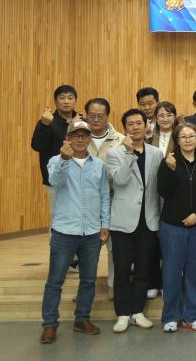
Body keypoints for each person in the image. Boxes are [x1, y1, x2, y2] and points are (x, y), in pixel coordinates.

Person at [40, 120, 110, 344]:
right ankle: (50, 324)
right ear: (68, 138)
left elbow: (104, 195)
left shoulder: (98, 165)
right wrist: (63, 159)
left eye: (84, 135)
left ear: (90, 138)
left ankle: (82, 319)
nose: (80, 139)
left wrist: (105, 224)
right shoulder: (55, 161)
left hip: (91, 232)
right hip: (64, 231)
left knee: (88, 280)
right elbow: (54, 181)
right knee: (55, 281)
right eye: (76, 135)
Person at [106, 109, 163, 333]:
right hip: (123, 220)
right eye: (130, 124)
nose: (136, 127)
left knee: (142, 269)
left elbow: (158, 188)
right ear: (125, 128)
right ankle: (122, 314)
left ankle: (138, 311)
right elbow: (119, 181)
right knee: (122, 270)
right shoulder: (115, 153)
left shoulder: (156, 153)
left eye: (139, 123)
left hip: (148, 220)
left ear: (146, 125)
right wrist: (130, 154)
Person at [157, 122, 196, 332]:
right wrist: (170, 170)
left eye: (191, 136)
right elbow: (163, 191)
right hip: (172, 226)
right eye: (183, 137)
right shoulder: (169, 161)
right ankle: (170, 316)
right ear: (177, 140)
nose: (188, 139)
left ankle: (192, 315)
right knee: (172, 271)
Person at [84, 98, 124, 300]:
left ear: (108, 116)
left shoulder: (120, 140)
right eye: (91, 116)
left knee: (114, 248)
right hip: (87, 201)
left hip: (115, 198)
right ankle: (84, 290)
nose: (95, 119)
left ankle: (113, 287)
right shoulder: (78, 138)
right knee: (85, 248)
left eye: (100, 116)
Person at [32, 85, 79, 220]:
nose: (66, 101)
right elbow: (37, 146)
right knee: (59, 218)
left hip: (80, 177)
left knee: (79, 215)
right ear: (55, 101)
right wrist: (45, 125)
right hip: (55, 178)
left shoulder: (82, 121)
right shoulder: (47, 121)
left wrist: (74, 126)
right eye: (62, 98)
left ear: (75, 100)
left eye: (70, 98)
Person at [147, 100, 176, 300]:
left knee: (169, 241)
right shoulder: (149, 137)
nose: (165, 119)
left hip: (173, 193)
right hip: (151, 192)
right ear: (155, 118)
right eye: (161, 115)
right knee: (151, 239)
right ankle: (152, 282)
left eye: (169, 115)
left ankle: (167, 281)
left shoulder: (181, 135)